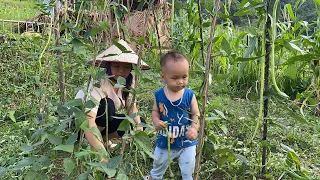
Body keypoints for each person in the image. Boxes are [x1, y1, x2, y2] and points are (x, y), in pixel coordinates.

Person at [75, 39, 151, 162]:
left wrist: (138, 128)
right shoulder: (98, 83)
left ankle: (103, 140)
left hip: (104, 122)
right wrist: (102, 155)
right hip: (80, 126)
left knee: (138, 121)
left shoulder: (127, 83)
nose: (121, 71)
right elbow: (88, 122)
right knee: (107, 105)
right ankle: (91, 144)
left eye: (126, 67)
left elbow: (132, 108)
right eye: (116, 66)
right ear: (108, 65)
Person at [143, 51, 200, 180]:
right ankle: (155, 177)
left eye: (184, 77)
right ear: (163, 77)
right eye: (175, 78)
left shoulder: (189, 95)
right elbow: (155, 111)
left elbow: (196, 113)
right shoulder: (159, 95)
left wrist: (194, 128)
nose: (180, 82)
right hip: (165, 140)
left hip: (186, 142)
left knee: (188, 168)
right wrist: (156, 121)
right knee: (159, 163)